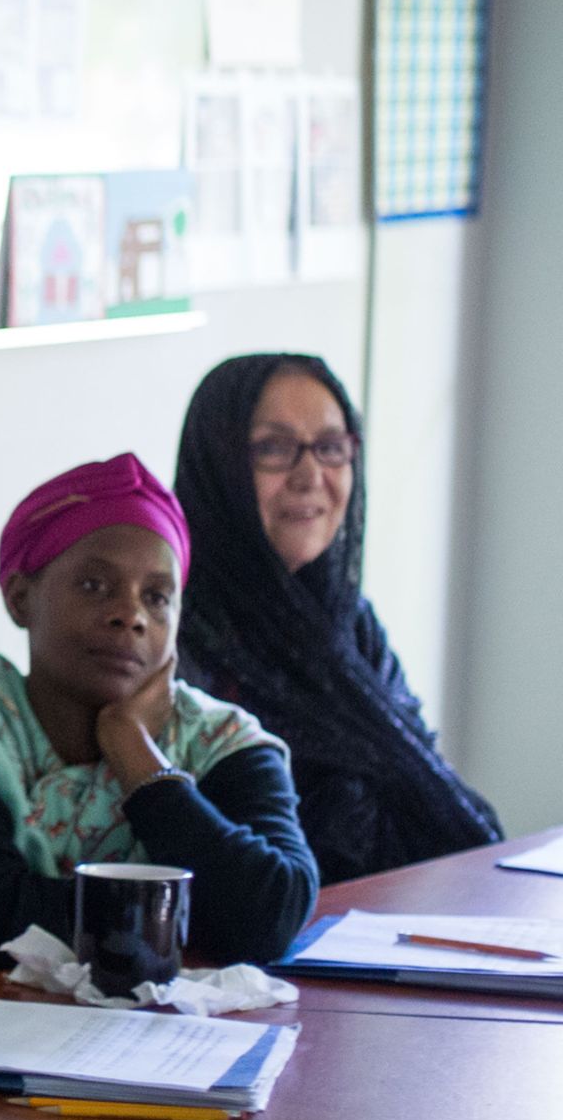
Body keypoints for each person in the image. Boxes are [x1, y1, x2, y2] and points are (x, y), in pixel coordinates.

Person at [0, 455, 317, 979]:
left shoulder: (218, 738)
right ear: (21, 598)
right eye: (94, 586)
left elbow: (271, 915)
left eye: (157, 597)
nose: (130, 615)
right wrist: (196, 913)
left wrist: (139, 759)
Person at [174, 353, 501, 881]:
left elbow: (432, 791)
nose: (310, 476)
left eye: (330, 448)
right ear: (220, 465)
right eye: (274, 449)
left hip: (393, 926)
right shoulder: (171, 628)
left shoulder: (347, 624)